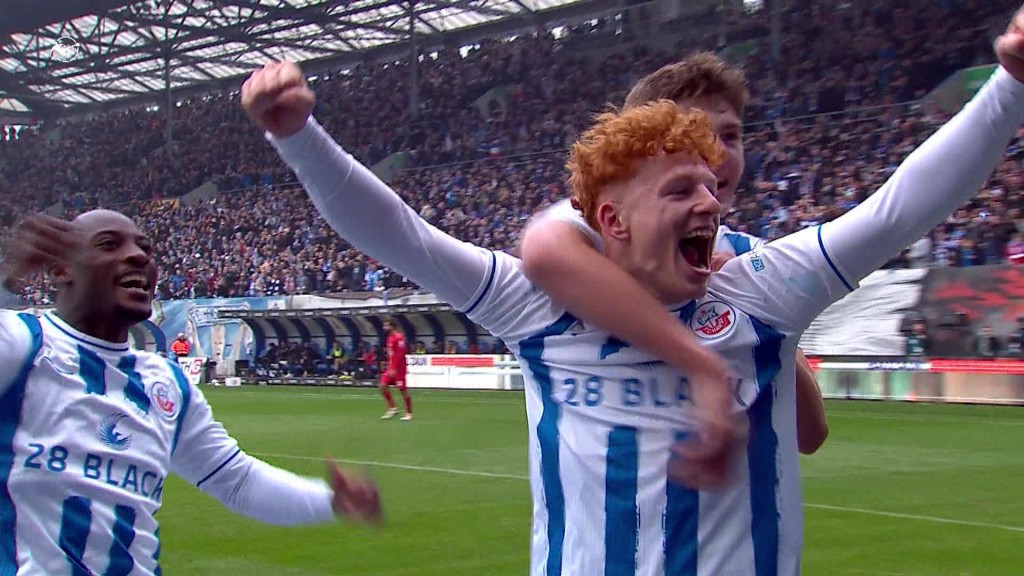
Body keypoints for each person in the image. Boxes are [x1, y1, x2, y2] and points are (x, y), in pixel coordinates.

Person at [244, 13, 1024, 573]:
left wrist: (1009, 86)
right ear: (614, 201)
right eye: (684, 161)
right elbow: (400, 233)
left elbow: (902, 204)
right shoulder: (542, 287)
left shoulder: (763, 282)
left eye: (729, 141)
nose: (715, 174)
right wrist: (299, 137)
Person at [0, 209, 382, 575]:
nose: (136, 256)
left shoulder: (164, 383)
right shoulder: (23, 346)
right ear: (60, 269)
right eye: (108, 244)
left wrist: (329, 500)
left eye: (145, 249)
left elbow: (237, 480)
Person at [519, 52, 829, 454]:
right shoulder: (594, 230)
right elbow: (542, 248)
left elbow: (810, 434)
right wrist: (702, 363)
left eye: (731, 136)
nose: (718, 153)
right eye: (695, 135)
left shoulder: (749, 256)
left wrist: (759, 321)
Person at [380, 318, 413, 421]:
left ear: (392, 326)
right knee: (382, 386)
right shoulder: (389, 338)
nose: (384, 328)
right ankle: (392, 408)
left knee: (402, 390)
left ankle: (409, 413)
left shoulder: (399, 337)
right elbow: (391, 354)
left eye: (386, 326)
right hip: (391, 367)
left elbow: (400, 353)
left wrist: (394, 368)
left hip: (399, 369)